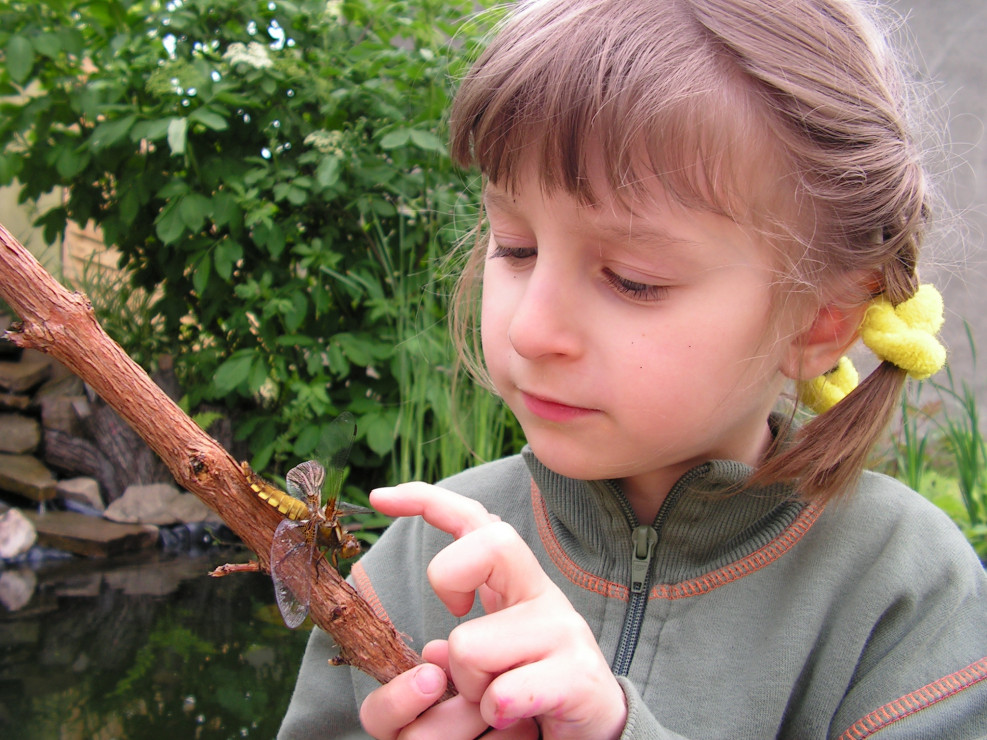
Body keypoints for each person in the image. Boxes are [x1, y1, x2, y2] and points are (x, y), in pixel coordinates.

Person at [278, 0, 987, 737]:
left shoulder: (904, 593)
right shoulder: (415, 565)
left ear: (819, 321)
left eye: (632, 278)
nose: (530, 329)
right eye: (515, 247)